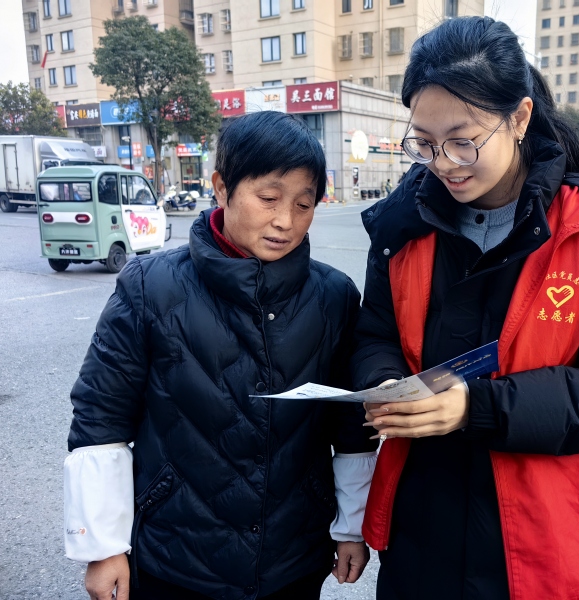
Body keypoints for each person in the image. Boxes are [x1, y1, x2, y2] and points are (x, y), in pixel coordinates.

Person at [352, 16, 579, 600]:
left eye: (463, 140)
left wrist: (477, 407)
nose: (443, 163)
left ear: (519, 118)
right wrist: (385, 381)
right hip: (422, 531)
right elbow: (375, 331)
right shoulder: (403, 225)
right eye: (424, 143)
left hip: (546, 542)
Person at [64, 111, 377, 600]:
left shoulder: (333, 296)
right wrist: (103, 548)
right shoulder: (150, 286)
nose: (285, 220)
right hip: (175, 554)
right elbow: (100, 416)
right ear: (221, 188)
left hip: (292, 555)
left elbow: (350, 424)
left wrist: (351, 526)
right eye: (268, 198)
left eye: (304, 204)